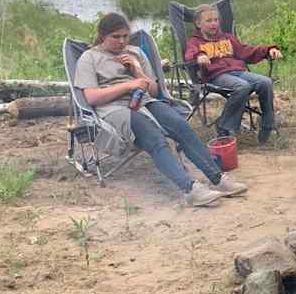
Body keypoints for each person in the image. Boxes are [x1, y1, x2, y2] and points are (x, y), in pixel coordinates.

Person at [75, 13, 247, 207]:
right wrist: (129, 86)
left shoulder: (135, 53)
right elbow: (91, 97)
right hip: (114, 109)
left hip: (145, 101)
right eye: (116, 37)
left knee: (182, 127)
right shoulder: (89, 58)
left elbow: (155, 91)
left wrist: (137, 70)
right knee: (154, 138)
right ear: (102, 36)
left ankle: (217, 179)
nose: (122, 41)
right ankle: (190, 189)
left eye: (125, 36)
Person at [183, 4, 282, 144]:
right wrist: (200, 56)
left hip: (238, 72)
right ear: (198, 23)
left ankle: (267, 125)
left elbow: (246, 51)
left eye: (216, 20)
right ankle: (224, 126)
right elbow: (190, 55)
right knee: (242, 87)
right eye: (209, 20)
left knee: (265, 82)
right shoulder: (194, 42)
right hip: (215, 76)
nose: (213, 24)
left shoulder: (227, 38)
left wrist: (268, 50)